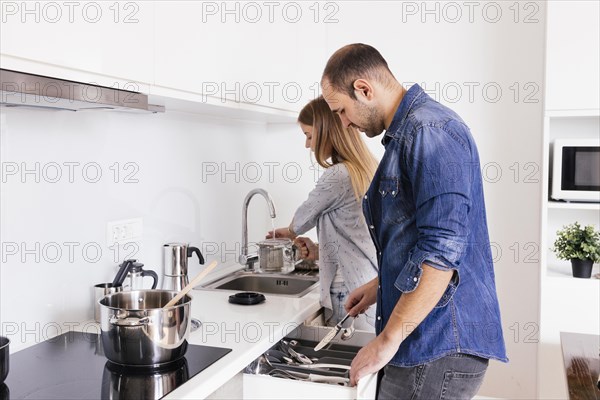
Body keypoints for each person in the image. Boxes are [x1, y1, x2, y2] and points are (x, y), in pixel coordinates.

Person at [321, 44, 508, 399]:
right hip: (427, 337)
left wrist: (386, 341)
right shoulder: (408, 134)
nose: (343, 123)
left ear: (364, 89)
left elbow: (440, 253)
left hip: (437, 340)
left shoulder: (429, 131)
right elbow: (419, 240)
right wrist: (380, 286)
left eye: (342, 111)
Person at [267, 96, 378, 331]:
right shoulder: (365, 168)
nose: (308, 145)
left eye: (309, 135)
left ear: (327, 131)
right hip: (368, 283)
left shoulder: (338, 175)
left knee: (342, 364)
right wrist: (318, 251)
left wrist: (284, 235)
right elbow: (355, 236)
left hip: (346, 289)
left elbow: (300, 221)